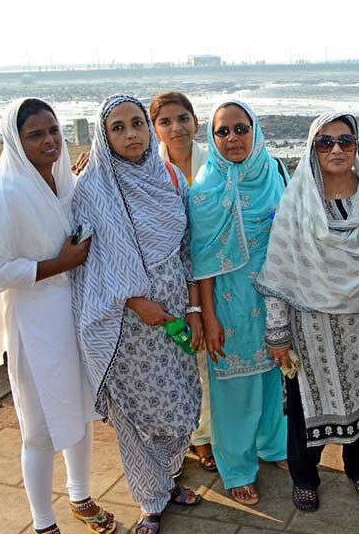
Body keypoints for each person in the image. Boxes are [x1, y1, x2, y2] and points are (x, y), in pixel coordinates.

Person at [0, 98, 114, 534]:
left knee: (80, 411)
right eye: (36, 135)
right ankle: (44, 523)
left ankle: (80, 495)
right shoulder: (1, 193)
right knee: (39, 426)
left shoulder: (63, 179)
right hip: (33, 320)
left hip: (75, 313)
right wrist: (57, 265)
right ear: (15, 140)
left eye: (54, 131)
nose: (49, 142)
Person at [255, 112, 359, 512]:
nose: (337, 149)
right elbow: (279, 271)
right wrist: (278, 336)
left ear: (357, 145)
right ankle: (305, 478)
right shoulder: (298, 198)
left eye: (346, 140)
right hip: (312, 327)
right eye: (326, 142)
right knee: (306, 408)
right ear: (313, 149)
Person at [71, 94, 203, 534]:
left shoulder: (168, 178)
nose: (130, 134)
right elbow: (94, 261)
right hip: (127, 326)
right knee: (137, 416)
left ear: (149, 128)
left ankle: (167, 481)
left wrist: (191, 307)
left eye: (136, 124)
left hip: (172, 321)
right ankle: (150, 503)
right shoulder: (91, 188)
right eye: (117, 128)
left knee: (180, 404)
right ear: (103, 136)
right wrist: (135, 302)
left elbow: (186, 249)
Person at [189, 99, 289, 504]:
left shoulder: (274, 173)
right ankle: (237, 467)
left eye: (240, 128)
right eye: (222, 131)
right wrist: (208, 315)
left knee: (272, 377)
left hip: (273, 298)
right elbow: (202, 260)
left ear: (255, 130)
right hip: (228, 301)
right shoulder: (205, 186)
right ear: (211, 139)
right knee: (233, 389)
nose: (232, 138)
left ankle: (274, 446)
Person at [149, 91, 214, 472]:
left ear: (195, 120)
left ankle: (209, 431)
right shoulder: (149, 169)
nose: (176, 127)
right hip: (170, 280)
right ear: (155, 128)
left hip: (212, 275)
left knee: (208, 360)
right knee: (180, 360)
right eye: (165, 121)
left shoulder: (215, 161)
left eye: (182, 118)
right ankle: (196, 438)